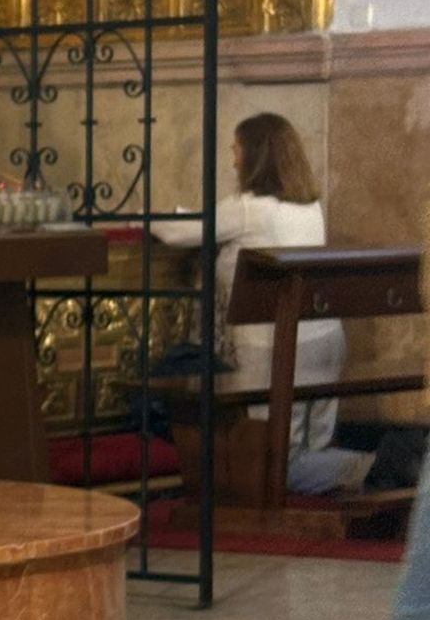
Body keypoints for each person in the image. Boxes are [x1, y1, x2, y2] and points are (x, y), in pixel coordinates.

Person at [158, 110, 373, 495]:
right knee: (310, 446)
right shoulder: (310, 206)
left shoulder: (248, 208)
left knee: (273, 461)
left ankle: (372, 467)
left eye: (237, 149)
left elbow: (179, 233)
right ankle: (362, 471)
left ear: (255, 155)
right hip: (324, 342)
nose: (233, 159)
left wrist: (142, 219)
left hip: (274, 348)